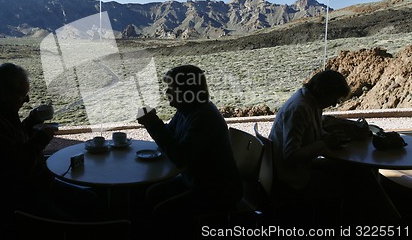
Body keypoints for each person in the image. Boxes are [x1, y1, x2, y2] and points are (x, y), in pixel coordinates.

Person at [0, 63, 98, 239]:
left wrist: (31, 122)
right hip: (16, 202)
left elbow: (10, 146)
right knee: (83, 219)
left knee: (91, 200)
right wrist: (41, 138)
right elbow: (17, 166)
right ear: (5, 95)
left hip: (31, 188)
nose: (26, 101)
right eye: (23, 96)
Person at [268, 69, 401, 223]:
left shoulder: (310, 102)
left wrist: (329, 137)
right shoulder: (300, 109)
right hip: (293, 177)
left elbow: (312, 132)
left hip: (299, 167)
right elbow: (290, 155)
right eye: (333, 98)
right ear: (323, 91)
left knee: (360, 171)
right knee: (356, 181)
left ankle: (383, 217)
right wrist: (324, 143)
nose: (333, 103)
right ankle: (382, 220)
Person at [137, 65, 242, 218]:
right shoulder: (187, 111)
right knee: (151, 193)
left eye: (171, 88)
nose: (167, 92)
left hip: (218, 191)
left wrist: (153, 123)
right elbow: (170, 136)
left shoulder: (204, 118)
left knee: (162, 210)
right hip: (197, 182)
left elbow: (180, 158)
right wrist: (153, 123)